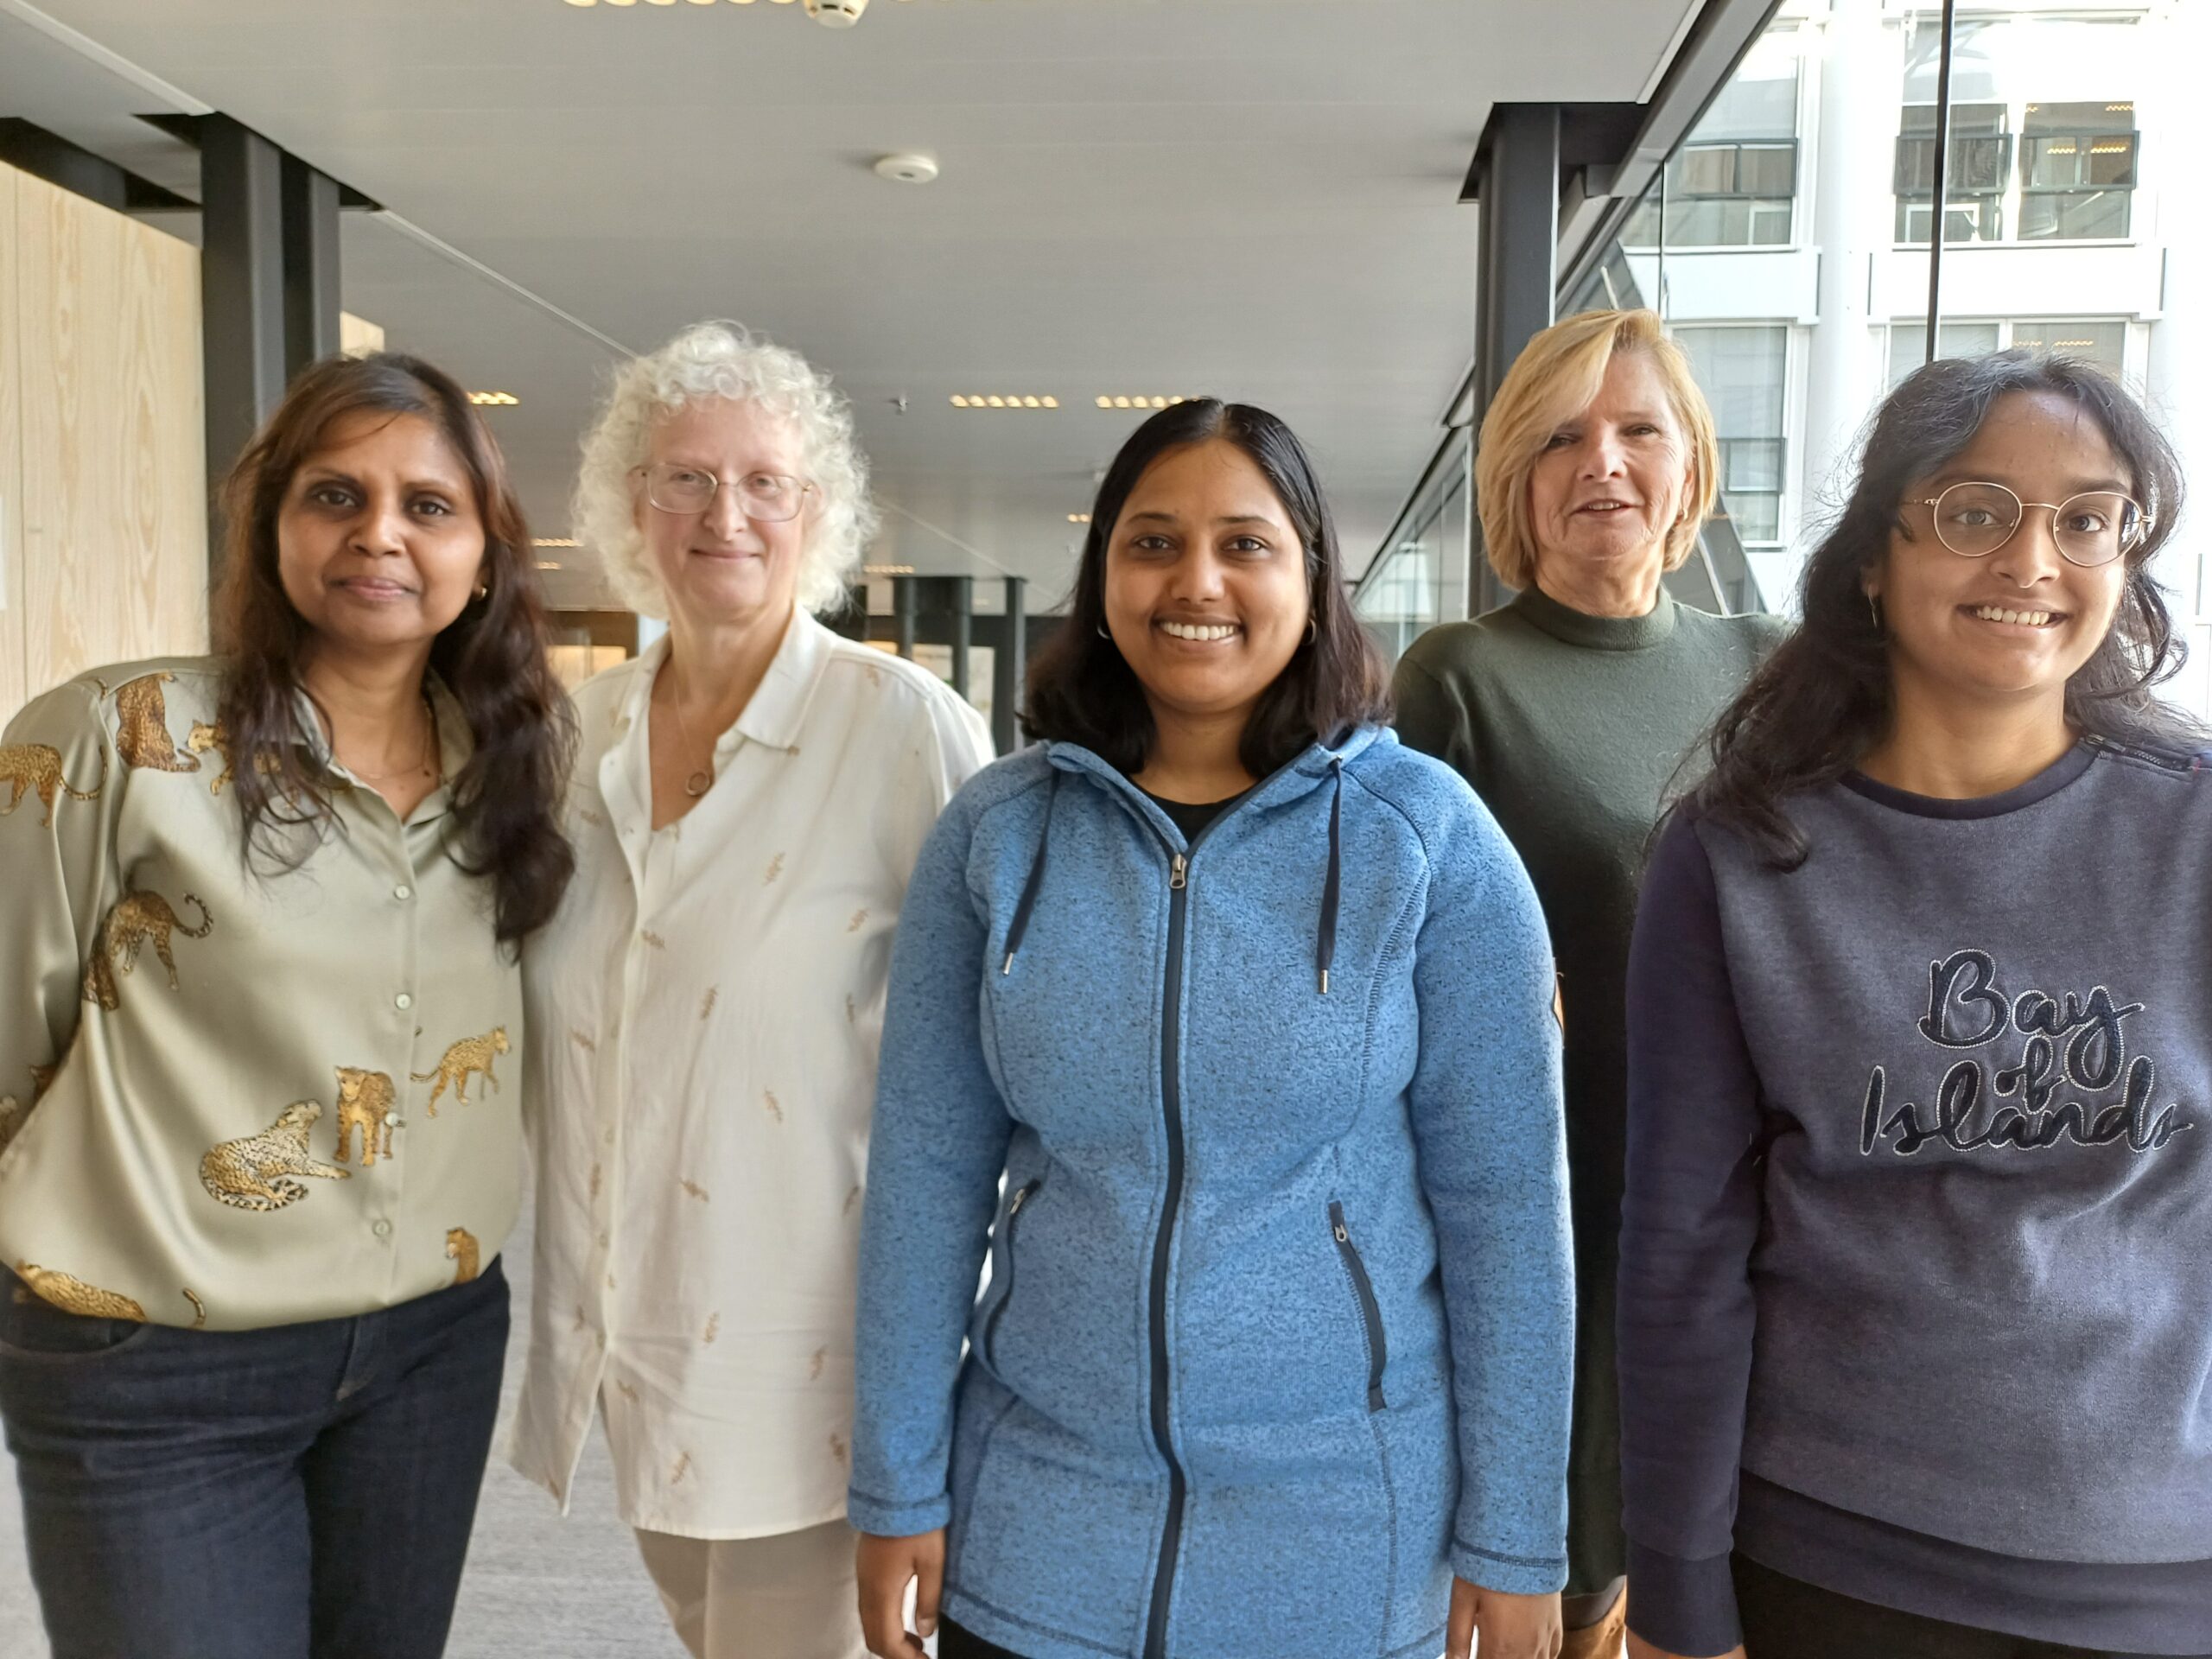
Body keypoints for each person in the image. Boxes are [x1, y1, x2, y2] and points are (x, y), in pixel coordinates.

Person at [850, 398, 1575, 1659]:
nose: (1197, 582)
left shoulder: (1428, 836)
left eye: (1246, 544)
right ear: (1104, 574)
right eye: (1152, 542)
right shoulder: (998, 832)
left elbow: (1509, 1205)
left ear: (1310, 576)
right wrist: (899, 1480)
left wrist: (1515, 1535)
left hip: (1345, 1540)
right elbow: (925, 1175)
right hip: (1038, 1521)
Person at [1620, 351, 2212, 1659]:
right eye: (1973, 509)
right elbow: (1683, 1250)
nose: (2032, 561)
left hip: (2163, 1568)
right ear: (1875, 558)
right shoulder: (1736, 855)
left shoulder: (2195, 829)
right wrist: (1675, 1588)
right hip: (1838, 1561)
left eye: (2085, 517)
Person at [0, 352, 575, 1659]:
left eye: (428, 506)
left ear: (483, 556)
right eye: (334, 496)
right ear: (272, 531)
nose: (379, 533)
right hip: (156, 1363)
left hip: (427, 1354)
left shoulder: (520, 769)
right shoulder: (117, 735)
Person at [508, 321, 993, 1659]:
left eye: (764, 482)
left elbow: (996, 1057)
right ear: (629, 509)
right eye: (683, 478)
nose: (725, 512)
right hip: (634, 1335)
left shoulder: (903, 730)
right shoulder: (580, 735)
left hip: (816, 1365)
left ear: (817, 514)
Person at [1393, 307, 1785, 1657]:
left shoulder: (1764, 667)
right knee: (1544, 1592)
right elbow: (1411, 969)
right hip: (1553, 1202)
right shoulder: (1460, 677)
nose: (1602, 462)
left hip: (1736, 1203)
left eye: (1638, 430)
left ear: (1690, 465)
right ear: (1516, 474)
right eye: (1562, 436)